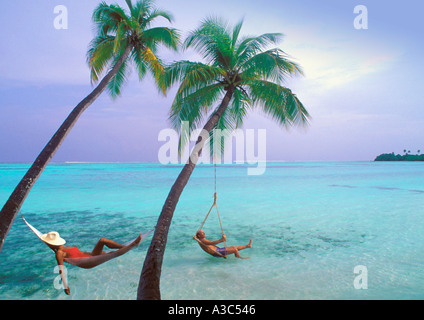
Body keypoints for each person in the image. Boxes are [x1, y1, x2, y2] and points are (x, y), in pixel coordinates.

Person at [40, 231, 142, 295]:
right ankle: (132, 245)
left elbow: (80, 253)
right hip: (86, 262)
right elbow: (61, 269)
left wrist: (96, 254)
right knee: (110, 250)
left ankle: (128, 246)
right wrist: (65, 286)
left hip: (89, 256)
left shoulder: (65, 248)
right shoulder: (59, 253)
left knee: (104, 243)